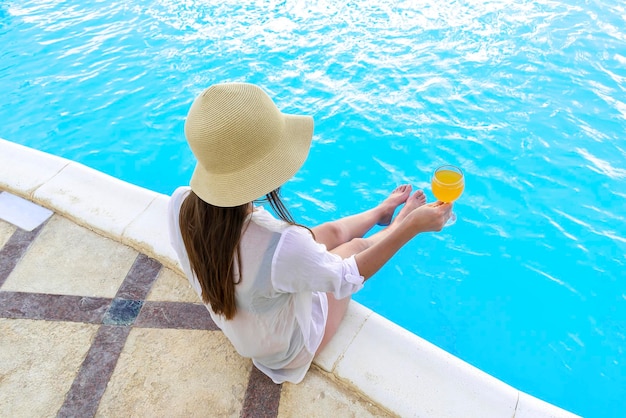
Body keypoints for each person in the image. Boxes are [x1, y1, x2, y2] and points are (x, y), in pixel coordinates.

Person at [168, 82, 452, 384]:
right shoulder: (282, 244)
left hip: (249, 325)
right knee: (354, 246)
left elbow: (278, 250)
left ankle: (379, 212)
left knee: (326, 233)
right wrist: (410, 227)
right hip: (286, 350)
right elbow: (347, 278)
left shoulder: (180, 203)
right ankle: (396, 222)